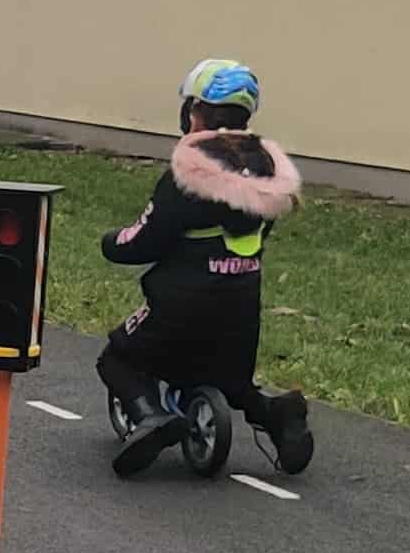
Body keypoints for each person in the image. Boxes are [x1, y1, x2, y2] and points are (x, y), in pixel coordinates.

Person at [98, 58, 313, 478]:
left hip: (181, 304)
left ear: (194, 112)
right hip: (240, 306)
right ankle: (278, 414)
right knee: (233, 382)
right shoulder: (267, 176)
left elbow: (147, 238)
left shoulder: (189, 174)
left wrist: (112, 243)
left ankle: (150, 416)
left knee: (117, 358)